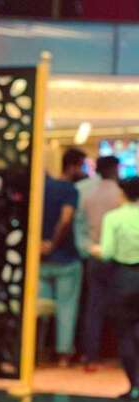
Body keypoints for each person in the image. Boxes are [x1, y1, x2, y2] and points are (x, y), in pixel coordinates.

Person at [39, 147, 87, 367]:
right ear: (73, 166)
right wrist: (53, 243)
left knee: (41, 310)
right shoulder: (69, 189)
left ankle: (37, 351)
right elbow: (66, 219)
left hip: (40, 259)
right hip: (65, 258)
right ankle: (63, 355)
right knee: (66, 308)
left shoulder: (42, 187)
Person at [76, 155, 122, 369]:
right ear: (114, 170)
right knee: (125, 309)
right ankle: (122, 355)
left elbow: (79, 225)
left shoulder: (86, 192)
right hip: (120, 259)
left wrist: (86, 248)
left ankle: (91, 354)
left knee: (94, 307)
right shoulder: (121, 195)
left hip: (94, 255)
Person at [99, 177, 139, 401]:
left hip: (124, 278)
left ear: (122, 193)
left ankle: (134, 385)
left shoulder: (113, 218)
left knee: (125, 334)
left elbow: (107, 252)